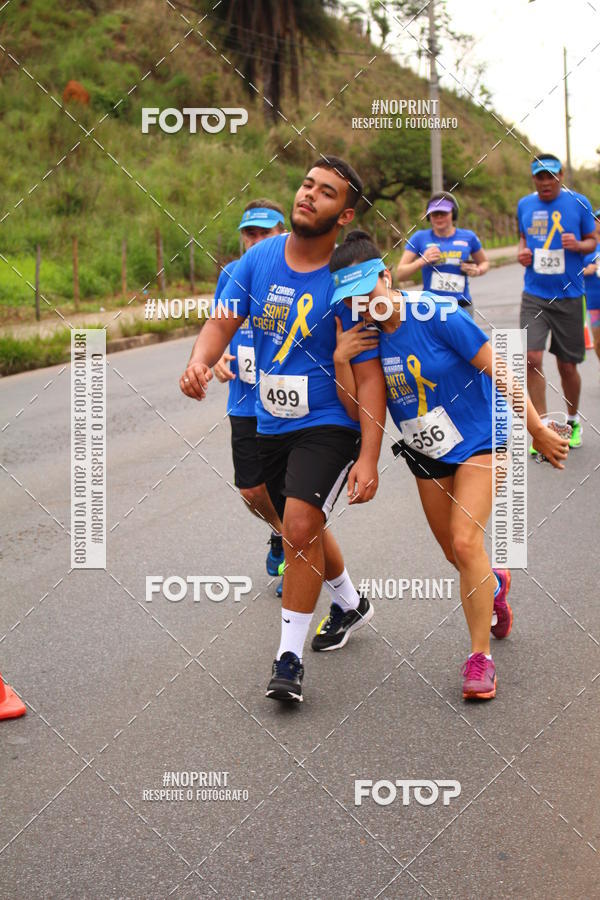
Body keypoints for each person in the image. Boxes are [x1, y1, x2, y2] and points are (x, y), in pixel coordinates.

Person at [329, 230, 569, 700]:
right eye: (351, 299)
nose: (362, 304)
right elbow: (360, 410)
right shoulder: (365, 335)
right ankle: (494, 581)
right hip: (427, 452)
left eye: (367, 292)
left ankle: (480, 659)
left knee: (465, 539)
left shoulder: (437, 312)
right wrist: (341, 359)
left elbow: (499, 368)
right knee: (457, 556)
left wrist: (536, 428)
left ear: (385, 276)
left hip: (482, 439)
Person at [180, 158, 386, 704]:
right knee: (294, 521)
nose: (308, 196)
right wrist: (201, 361)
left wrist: (369, 456)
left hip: (328, 422)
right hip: (270, 418)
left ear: (343, 215)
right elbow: (222, 320)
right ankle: (349, 601)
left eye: (325, 193)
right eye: (306, 185)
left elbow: (367, 377)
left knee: (297, 525)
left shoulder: (351, 278)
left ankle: (288, 658)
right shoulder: (258, 260)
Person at [212, 200, 287, 594]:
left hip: (288, 402)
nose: (256, 240)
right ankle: (281, 533)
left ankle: (296, 552)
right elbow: (219, 329)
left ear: (282, 232)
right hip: (244, 399)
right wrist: (216, 360)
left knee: (292, 489)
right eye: (250, 233)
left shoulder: (297, 272)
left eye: (265, 232)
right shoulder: (231, 274)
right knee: (252, 490)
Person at [517, 154, 596, 451]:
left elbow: (593, 239)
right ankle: (544, 428)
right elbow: (523, 239)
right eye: (540, 176)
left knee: (566, 366)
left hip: (570, 295)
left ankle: (572, 421)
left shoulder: (579, 203)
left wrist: (578, 245)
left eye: (551, 175)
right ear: (533, 178)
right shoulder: (525, 204)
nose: (546, 182)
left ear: (561, 175)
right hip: (535, 294)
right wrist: (521, 253)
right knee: (531, 358)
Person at [396, 191, 489, 316]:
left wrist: (477, 270)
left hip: (462, 306)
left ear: (453, 214)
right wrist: (422, 261)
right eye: (435, 214)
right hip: (430, 307)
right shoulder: (419, 238)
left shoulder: (469, 237)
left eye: (443, 213)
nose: (439, 217)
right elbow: (400, 274)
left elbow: (484, 262)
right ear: (429, 216)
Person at [582, 208, 600, 370]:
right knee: (598, 341)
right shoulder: (587, 245)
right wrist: (586, 270)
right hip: (594, 302)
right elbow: (573, 271)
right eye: (597, 219)